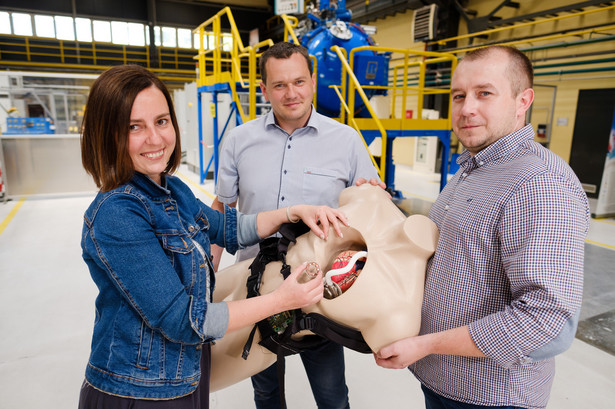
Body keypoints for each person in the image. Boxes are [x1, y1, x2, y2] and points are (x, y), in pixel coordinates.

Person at [77, 64, 349, 409]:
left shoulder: (170, 190)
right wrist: (282, 301)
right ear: (107, 134)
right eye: (134, 127)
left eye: (161, 121)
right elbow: (184, 320)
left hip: (184, 374)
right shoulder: (118, 213)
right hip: (139, 389)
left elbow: (227, 228)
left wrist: (292, 212)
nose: (155, 138)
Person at [374, 45, 590, 409]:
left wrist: (426, 344)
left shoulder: (539, 183)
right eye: (459, 96)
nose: (466, 108)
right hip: (444, 381)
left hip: (489, 396)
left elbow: (547, 323)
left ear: (523, 100)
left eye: (484, 94)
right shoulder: (475, 167)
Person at [211, 42, 382, 409]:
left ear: (314, 81)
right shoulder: (240, 140)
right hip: (257, 289)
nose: (291, 94)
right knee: (266, 390)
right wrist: (207, 274)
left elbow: (368, 206)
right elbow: (222, 211)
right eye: (279, 85)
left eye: (299, 81)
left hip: (319, 291)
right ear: (263, 89)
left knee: (332, 393)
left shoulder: (346, 141)